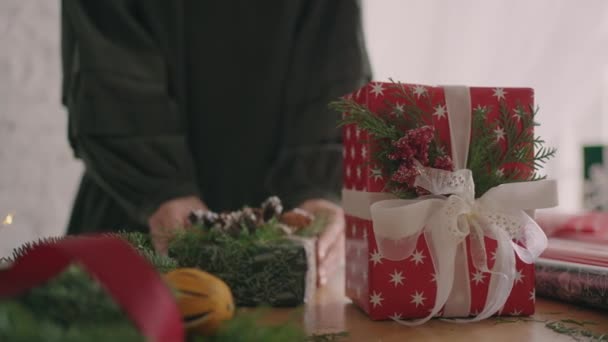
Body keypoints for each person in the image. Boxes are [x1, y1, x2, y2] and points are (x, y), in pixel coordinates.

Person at [61, 0, 371, 286]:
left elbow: (335, 63)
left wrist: (320, 190)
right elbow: (106, 70)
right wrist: (164, 190)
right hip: (138, 230)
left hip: (290, 251)